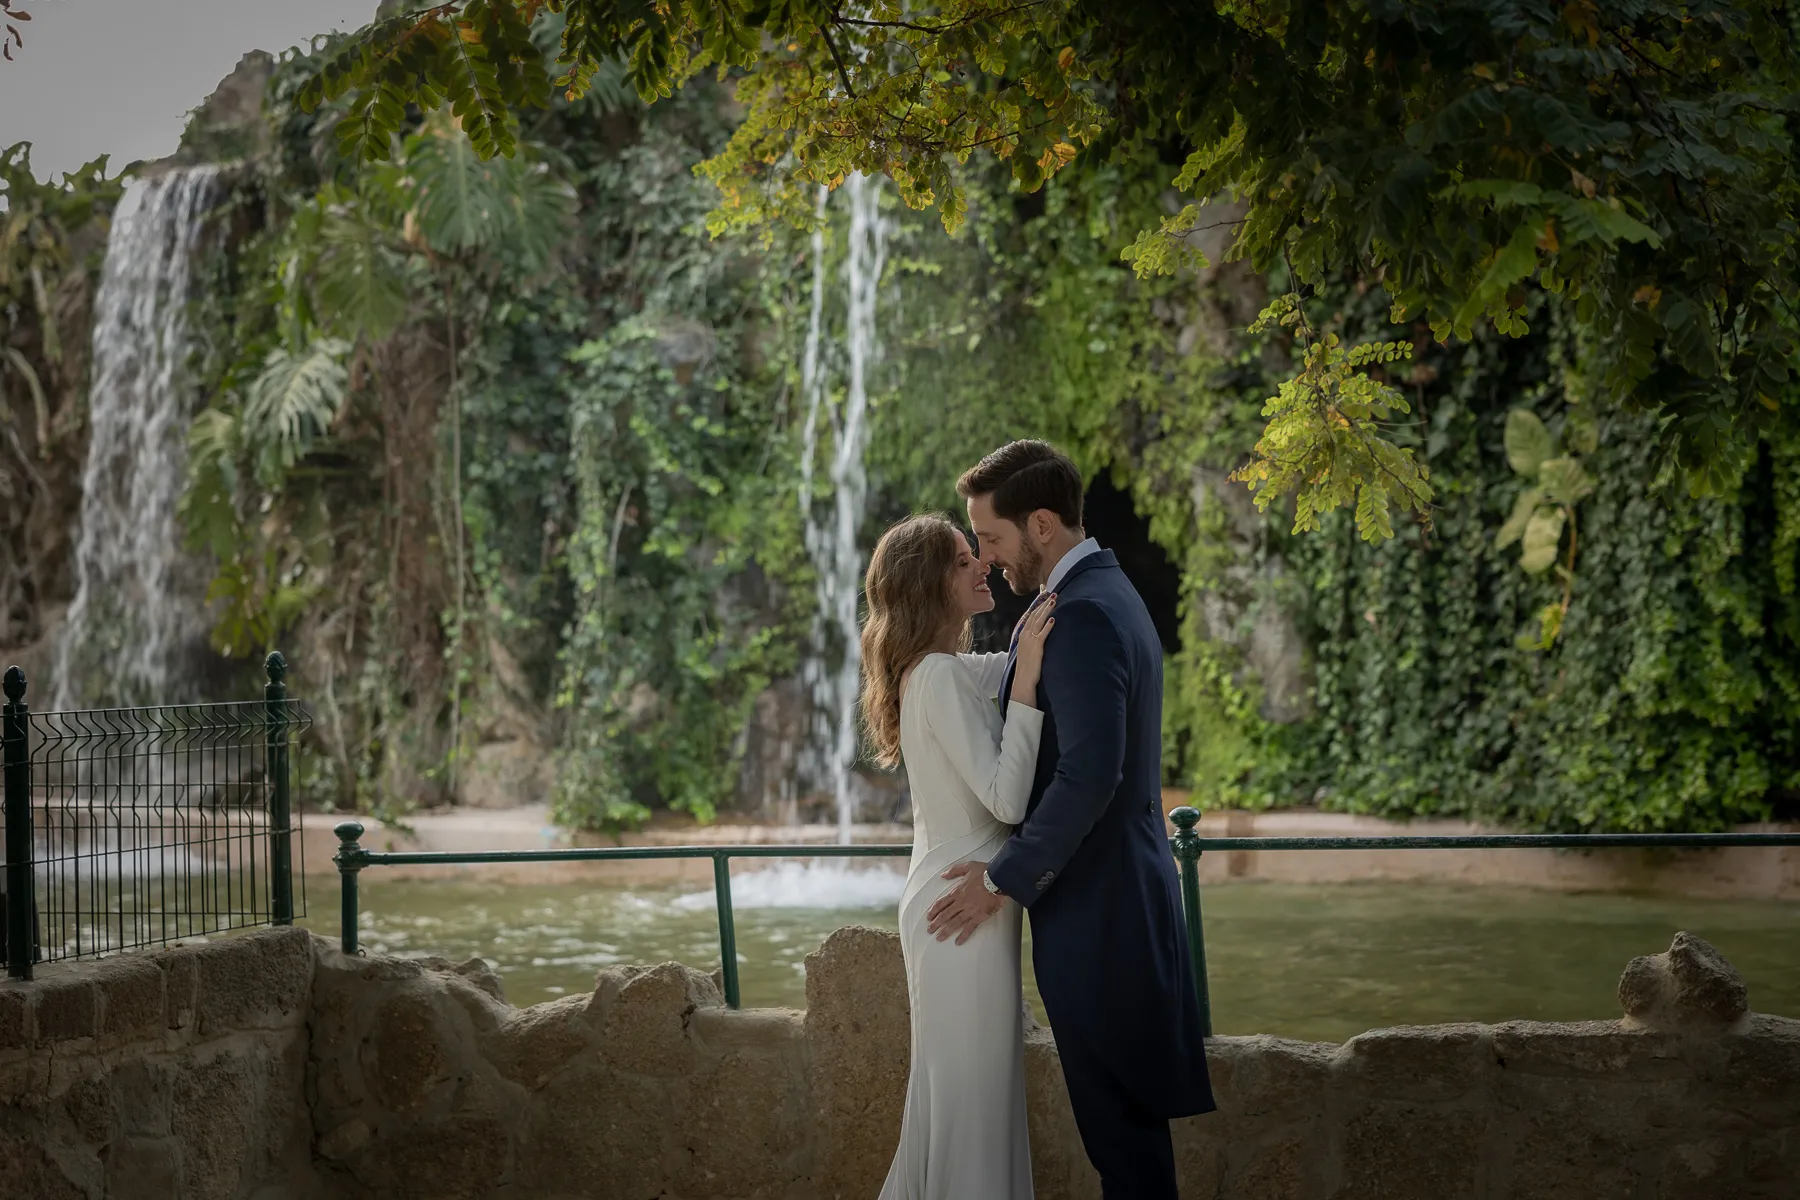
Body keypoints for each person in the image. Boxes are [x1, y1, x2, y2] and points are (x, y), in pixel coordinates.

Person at [926, 439, 1215, 1199]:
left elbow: (1090, 773)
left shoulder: (1083, 615)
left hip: (1103, 915)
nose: (987, 557)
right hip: (1114, 906)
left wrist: (1002, 878)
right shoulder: (1096, 597)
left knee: (1123, 1149)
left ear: (1043, 524)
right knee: (1126, 1146)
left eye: (990, 537)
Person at [860, 512, 1057, 1200]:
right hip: (961, 911)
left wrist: (1040, 635)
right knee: (972, 1108)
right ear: (927, 584)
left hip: (954, 901)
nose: (980, 565)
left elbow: (1004, 667)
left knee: (964, 1105)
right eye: (960, 560)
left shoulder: (935, 670)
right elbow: (1006, 801)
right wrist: (1029, 682)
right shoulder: (938, 676)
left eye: (979, 553)